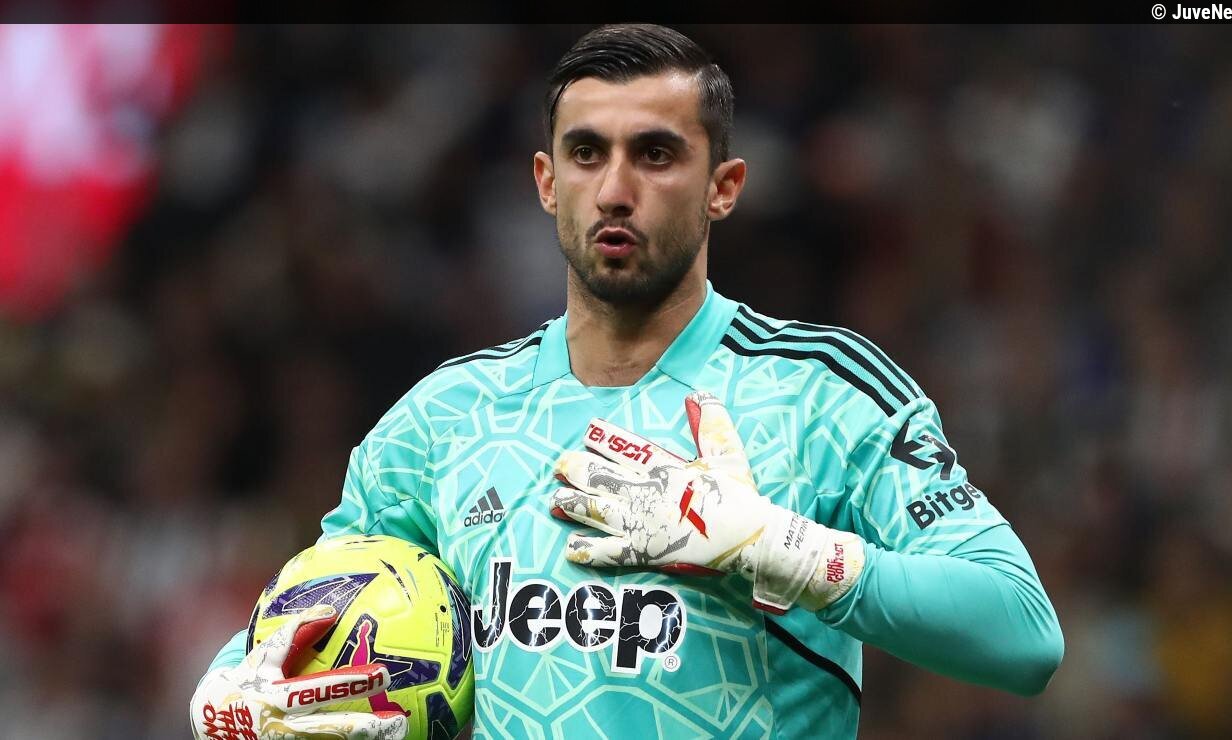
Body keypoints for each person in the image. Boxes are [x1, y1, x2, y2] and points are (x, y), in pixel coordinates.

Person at [191, 23, 1064, 740]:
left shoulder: (824, 395)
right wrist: (228, 693)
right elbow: (309, 619)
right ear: (546, 182)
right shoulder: (443, 418)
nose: (614, 189)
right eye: (585, 153)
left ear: (723, 187)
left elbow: (1023, 632)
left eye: (655, 154)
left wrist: (779, 549)